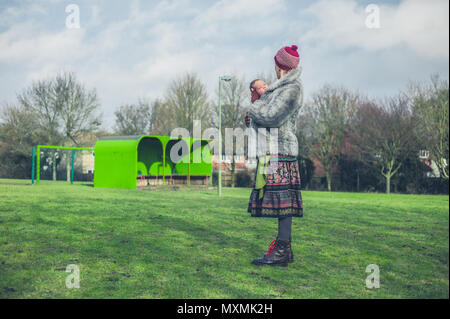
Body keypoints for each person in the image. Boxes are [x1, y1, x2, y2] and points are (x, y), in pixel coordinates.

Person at [244, 44, 303, 267]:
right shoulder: (281, 87)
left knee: (283, 202)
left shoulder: (293, 88)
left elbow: (273, 116)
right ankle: (283, 250)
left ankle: (282, 251)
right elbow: (265, 114)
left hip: (282, 151)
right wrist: (253, 118)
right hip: (272, 149)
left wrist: (253, 110)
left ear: (280, 64)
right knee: (280, 203)